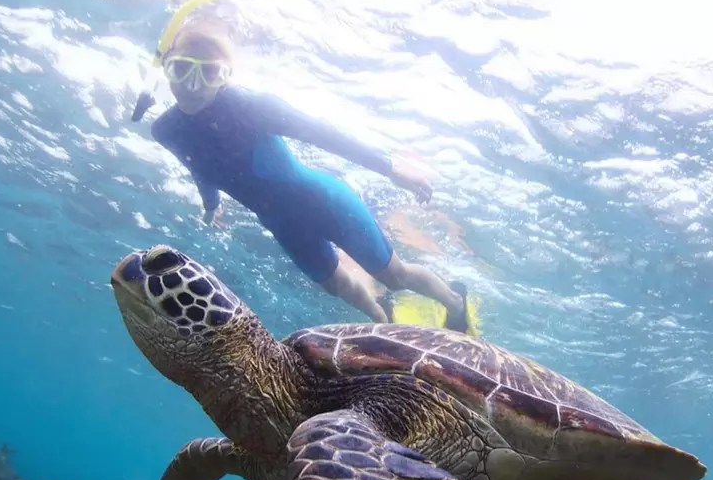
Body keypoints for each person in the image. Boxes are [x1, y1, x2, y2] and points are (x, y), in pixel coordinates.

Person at [149, 20, 471, 329]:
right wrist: (210, 205)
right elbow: (198, 164)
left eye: (208, 73)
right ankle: (383, 323)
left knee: (395, 277)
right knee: (340, 286)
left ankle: (455, 302)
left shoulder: (250, 107)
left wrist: (390, 168)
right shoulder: (166, 130)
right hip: (283, 225)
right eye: (181, 68)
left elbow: (323, 134)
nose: (193, 86)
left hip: (327, 202)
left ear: (225, 76)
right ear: (165, 66)